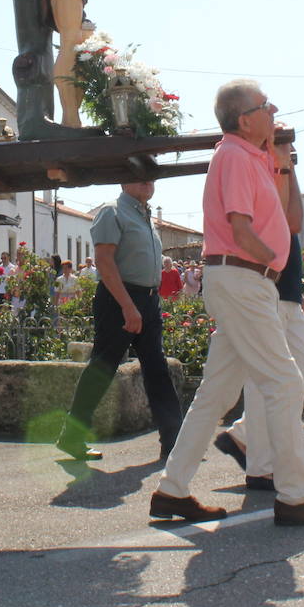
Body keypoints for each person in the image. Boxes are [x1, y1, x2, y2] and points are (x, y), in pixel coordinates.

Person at [150, 80, 304, 528]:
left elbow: (288, 217)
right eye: (266, 107)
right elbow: (241, 228)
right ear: (245, 119)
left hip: (243, 281)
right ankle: (295, 497)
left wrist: (281, 159)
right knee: (285, 381)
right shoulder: (237, 157)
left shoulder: (248, 157)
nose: (274, 111)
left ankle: (172, 489)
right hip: (244, 279)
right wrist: (271, 262)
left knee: (216, 394)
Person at [215, 148, 304, 489]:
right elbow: (271, 226)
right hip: (264, 293)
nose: (288, 152)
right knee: (268, 381)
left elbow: (293, 223)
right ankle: (260, 467)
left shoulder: (282, 176)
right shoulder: (257, 174)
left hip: (286, 293)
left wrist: (298, 295)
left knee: (302, 373)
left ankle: (244, 435)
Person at [57, 180, 184, 462]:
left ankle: (174, 441)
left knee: (157, 369)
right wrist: (128, 306)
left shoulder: (144, 216)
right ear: (124, 181)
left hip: (147, 300)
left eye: (151, 178)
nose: (148, 183)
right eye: (140, 177)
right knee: (102, 368)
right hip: (120, 298)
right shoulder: (112, 212)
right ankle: (73, 436)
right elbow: (104, 261)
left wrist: (147, 304)